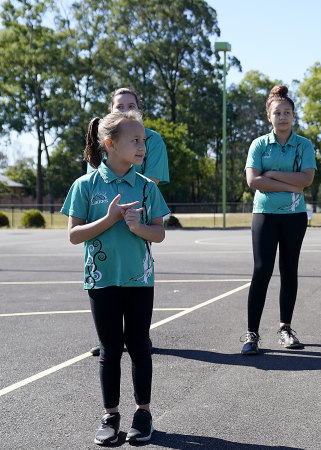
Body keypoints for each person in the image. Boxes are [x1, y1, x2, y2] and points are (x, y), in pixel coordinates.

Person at [62, 110, 169, 444]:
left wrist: (140, 228)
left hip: (139, 280)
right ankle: (111, 414)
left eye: (144, 141)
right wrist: (109, 219)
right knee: (110, 349)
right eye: (135, 140)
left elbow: (160, 234)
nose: (142, 146)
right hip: (101, 280)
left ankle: (143, 413)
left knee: (139, 346)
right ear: (110, 144)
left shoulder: (146, 187)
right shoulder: (85, 185)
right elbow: (74, 235)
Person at [88, 87, 170, 357]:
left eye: (130, 106)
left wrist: (131, 207)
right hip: (109, 222)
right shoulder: (104, 141)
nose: (124, 110)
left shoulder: (151, 140)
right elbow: (95, 187)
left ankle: (137, 339)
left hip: (137, 216)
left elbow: (151, 185)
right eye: (119, 106)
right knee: (108, 287)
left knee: (134, 280)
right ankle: (109, 339)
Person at [241, 85, 316, 355]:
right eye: (277, 113)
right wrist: (288, 181)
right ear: (268, 117)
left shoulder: (303, 145)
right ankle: (251, 334)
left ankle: (285, 328)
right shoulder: (259, 144)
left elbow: (306, 180)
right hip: (264, 214)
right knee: (261, 271)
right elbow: (253, 180)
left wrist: (271, 175)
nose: (282, 117)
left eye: (287, 112)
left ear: (293, 116)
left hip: (294, 217)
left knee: (289, 270)